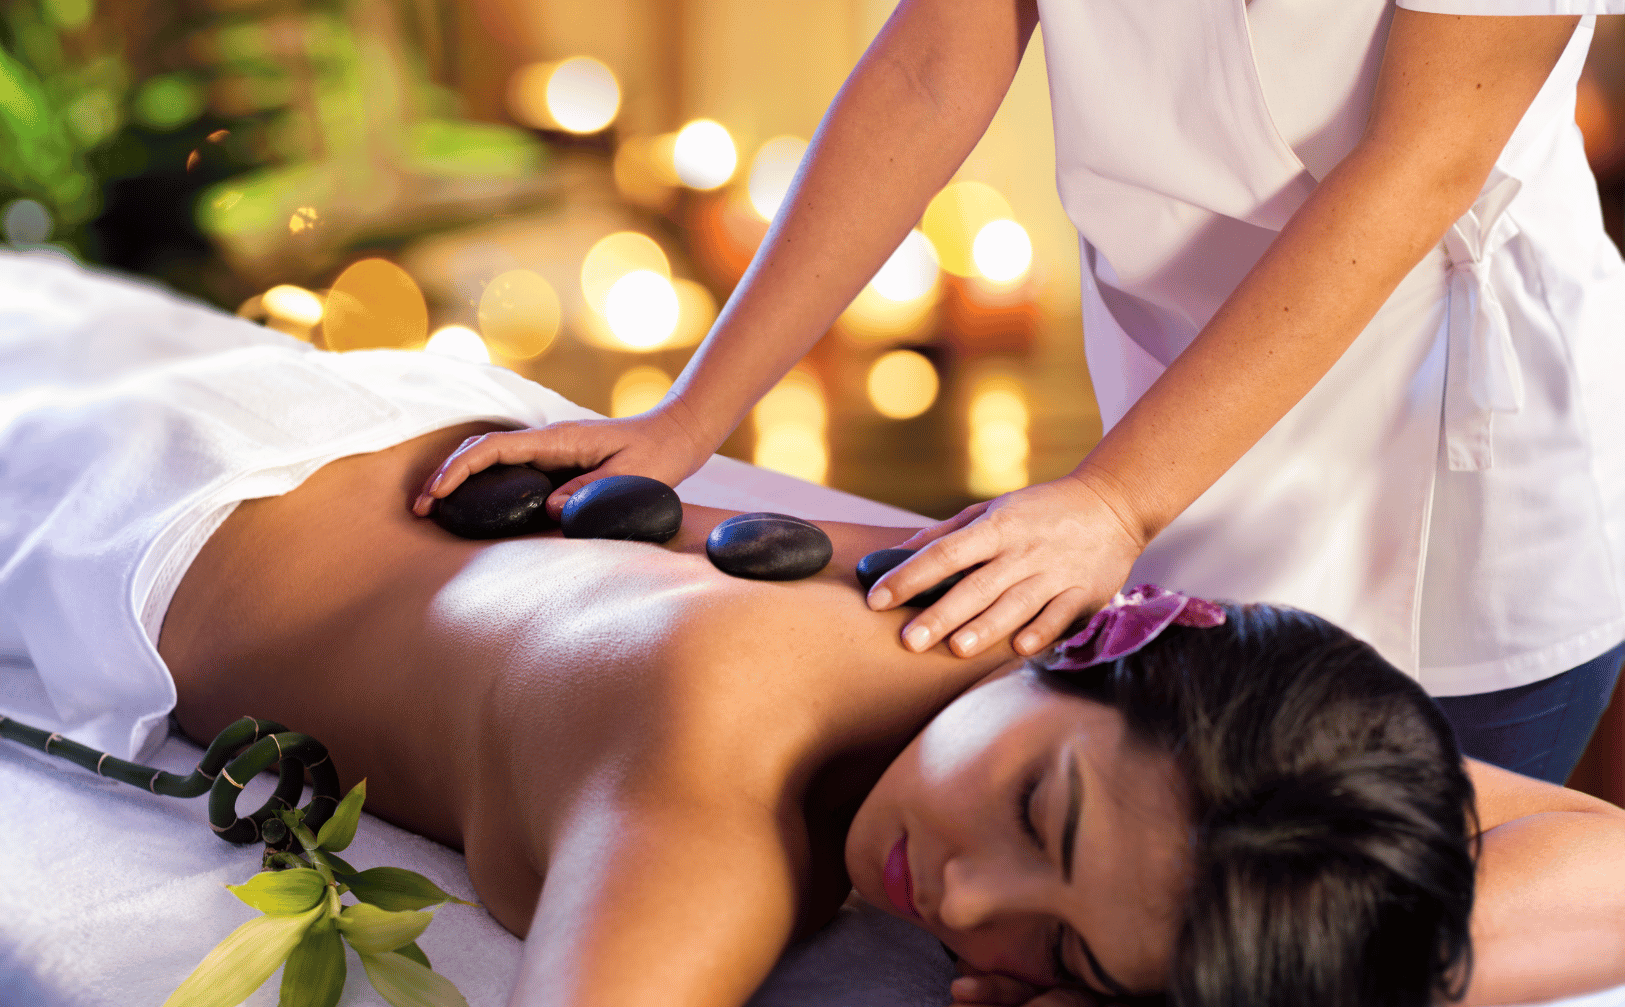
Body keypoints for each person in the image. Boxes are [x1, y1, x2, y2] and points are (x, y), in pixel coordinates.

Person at [3, 258, 1624, 1007]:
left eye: (1068, 953)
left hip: (401, 454)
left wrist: (1244, 993)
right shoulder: (715, 768)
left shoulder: (1087, 688)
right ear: (1105, 644)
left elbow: (1601, 861)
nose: (974, 911)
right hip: (133, 500)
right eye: (1037, 822)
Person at [418, 3, 1625, 787]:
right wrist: (687, 418)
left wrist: (1111, 500)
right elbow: (936, 66)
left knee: (1372, 977)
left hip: (1441, 443)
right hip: (1174, 399)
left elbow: (1413, 164)